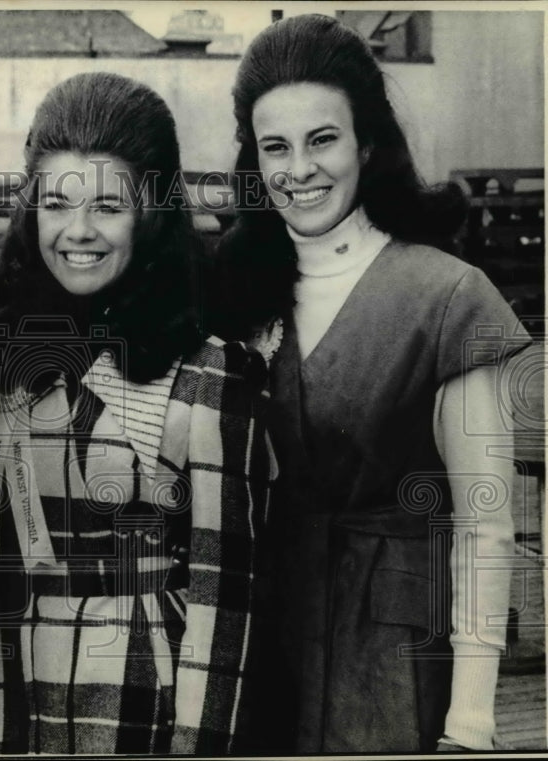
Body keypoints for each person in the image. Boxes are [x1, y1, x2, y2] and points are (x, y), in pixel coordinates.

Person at [211, 13, 533, 754]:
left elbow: (484, 523)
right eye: (275, 147)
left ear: (367, 142)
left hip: (395, 666)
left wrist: (471, 722)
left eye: (322, 138)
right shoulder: (233, 291)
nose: (300, 168)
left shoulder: (448, 296)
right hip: (264, 653)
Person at [0, 71, 279, 755]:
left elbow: (227, 604)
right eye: (57, 203)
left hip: (141, 693)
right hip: (21, 691)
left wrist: (200, 744)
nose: (78, 232)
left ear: (152, 216)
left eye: (108, 205)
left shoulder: (210, 372)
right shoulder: (18, 352)